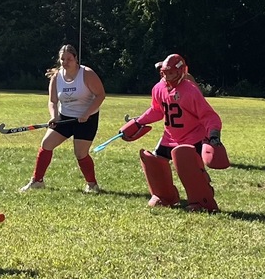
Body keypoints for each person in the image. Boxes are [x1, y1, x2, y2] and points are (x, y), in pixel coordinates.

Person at [120, 53, 227, 211]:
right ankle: (164, 196)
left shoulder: (190, 91)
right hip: (170, 136)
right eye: (166, 73)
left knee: (187, 164)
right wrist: (138, 122)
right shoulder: (158, 88)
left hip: (192, 137)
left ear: (181, 71)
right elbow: (157, 110)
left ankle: (201, 200)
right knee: (153, 162)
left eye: (172, 73)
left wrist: (213, 135)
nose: (168, 77)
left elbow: (208, 115)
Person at [19, 45, 107, 193]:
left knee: (80, 154)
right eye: (63, 59)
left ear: (76, 59)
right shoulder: (57, 77)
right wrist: (54, 117)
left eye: (69, 59)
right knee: (46, 144)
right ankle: (37, 181)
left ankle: (92, 184)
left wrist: (87, 113)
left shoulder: (86, 74)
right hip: (64, 118)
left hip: (86, 119)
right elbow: (52, 101)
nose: (66, 62)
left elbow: (101, 95)